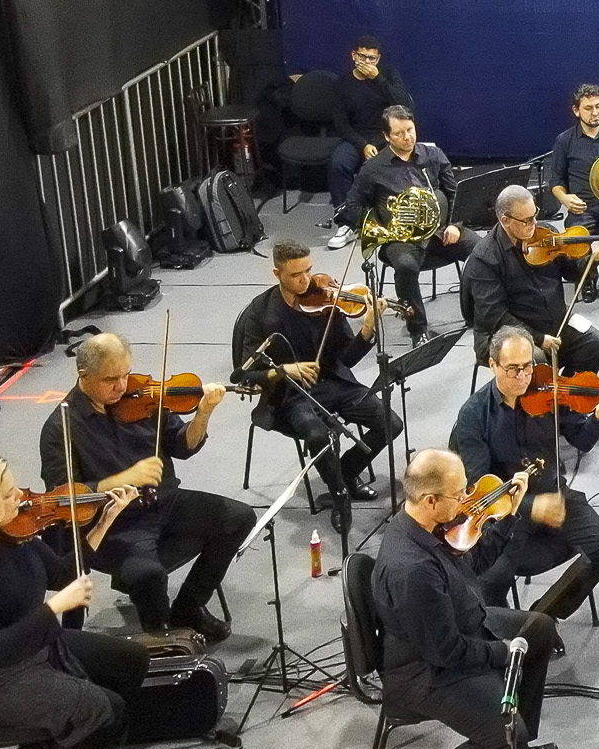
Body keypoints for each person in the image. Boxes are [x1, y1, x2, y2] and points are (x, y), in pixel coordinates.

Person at [372, 448, 562, 749]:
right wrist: (503, 652)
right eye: (460, 493)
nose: (467, 500)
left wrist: (508, 517)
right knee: (507, 734)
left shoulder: (424, 526)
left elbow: (472, 563)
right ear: (430, 500)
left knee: (539, 629)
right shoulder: (413, 570)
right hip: (425, 672)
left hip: (460, 625)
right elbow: (448, 653)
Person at [38, 333, 254, 643]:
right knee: (147, 574)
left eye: (125, 374)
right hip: (115, 523)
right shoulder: (61, 426)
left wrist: (203, 413)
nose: (122, 386)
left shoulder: (143, 397)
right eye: (110, 379)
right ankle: (162, 638)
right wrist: (125, 478)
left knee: (238, 517)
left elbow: (183, 445)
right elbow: (64, 499)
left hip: (165, 502)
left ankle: (189, 607)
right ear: (83, 375)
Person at [0, 456, 147, 749]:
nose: (21, 497)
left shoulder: (15, 534)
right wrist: (53, 609)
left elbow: (64, 573)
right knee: (110, 710)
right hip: (5, 676)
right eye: (8, 494)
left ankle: (57, 746)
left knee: (132, 662)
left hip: (42, 644)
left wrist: (104, 521)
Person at [230, 239, 402, 533]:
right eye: (296, 274)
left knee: (391, 423)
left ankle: (345, 472)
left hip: (335, 381)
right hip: (292, 394)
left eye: (308, 270)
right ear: (277, 274)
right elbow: (246, 375)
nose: (306, 280)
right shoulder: (261, 312)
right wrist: (284, 370)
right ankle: (339, 496)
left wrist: (367, 328)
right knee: (318, 434)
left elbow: (346, 358)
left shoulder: (326, 301)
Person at [449, 325, 599, 617]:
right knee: (491, 579)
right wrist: (531, 506)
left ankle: (543, 616)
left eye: (528, 366)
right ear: (493, 365)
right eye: (512, 369)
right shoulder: (473, 415)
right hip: (507, 512)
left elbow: (582, 440)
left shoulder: (548, 391)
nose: (523, 376)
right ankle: (508, 629)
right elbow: (480, 486)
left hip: (554, 493)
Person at [341, 105, 469, 339]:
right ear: (386, 136)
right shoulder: (373, 168)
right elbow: (351, 205)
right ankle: (418, 330)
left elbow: (455, 193)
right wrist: (381, 228)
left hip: (441, 230)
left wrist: (455, 224)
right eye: (399, 133)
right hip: (401, 239)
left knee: (482, 250)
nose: (407, 137)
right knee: (406, 267)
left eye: (410, 130)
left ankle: (476, 314)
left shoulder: (433, 155)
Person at [465, 184, 599, 376]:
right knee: (535, 362)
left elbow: (572, 273)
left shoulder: (546, 234)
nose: (535, 223)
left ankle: (565, 391)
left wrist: (595, 257)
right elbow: (495, 316)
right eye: (527, 220)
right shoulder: (485, 258)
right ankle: (542, 394)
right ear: (505, 221)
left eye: (535, 215)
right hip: (507, 333)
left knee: (596, 346)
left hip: (552, 323)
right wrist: (538, 338)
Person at [546, 84, 599, 298]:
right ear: (576, 111)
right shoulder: (564, 141)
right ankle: (587, 278)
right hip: (583, 206)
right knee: (576, 240)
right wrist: (565, 199)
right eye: (588, 108)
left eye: (598, 106)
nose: (595, 112)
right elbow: (555, 179)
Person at [327, 36, 414, 246]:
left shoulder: (388, 75)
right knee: (338, 164)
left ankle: (394, 219)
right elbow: (340, 123)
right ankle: (346, 222)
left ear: (378, 58)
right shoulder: (342, 83)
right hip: (356, 137)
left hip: (387, 136)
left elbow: (404, 106)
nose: (366, 62)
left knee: (396, 162)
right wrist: (362, 145)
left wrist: (378, 79)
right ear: (353, 55)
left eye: (372, 58)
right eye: (362, 56)